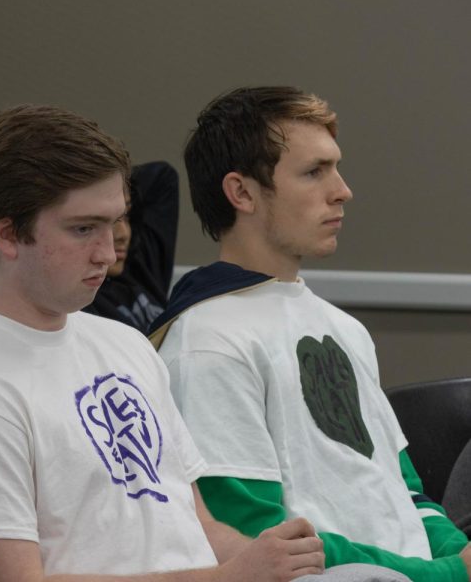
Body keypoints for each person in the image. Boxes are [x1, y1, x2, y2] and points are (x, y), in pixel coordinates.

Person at [0, 104, 333, 581]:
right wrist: (230, 578)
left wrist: (270, 561)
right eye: (83, 228)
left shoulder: (126, 343)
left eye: (116, 222)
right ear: (7, 234)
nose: (109, 250)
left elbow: (196, 525)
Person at [149, 86, 471, 581]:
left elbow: (404, 493)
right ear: (242, 193)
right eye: (313, 172)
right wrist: (446, 574)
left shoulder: (345, 328)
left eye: (335, 168)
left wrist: (458, 556)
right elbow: (255, 538)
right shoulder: (208, 342)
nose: (342, 190)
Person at [83, 160, 179, 334]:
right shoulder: (82, 302)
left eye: (125, 215)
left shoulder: (138, 269)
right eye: (105, 219)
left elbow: (162, 176)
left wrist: (116, 183)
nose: (123, 234)